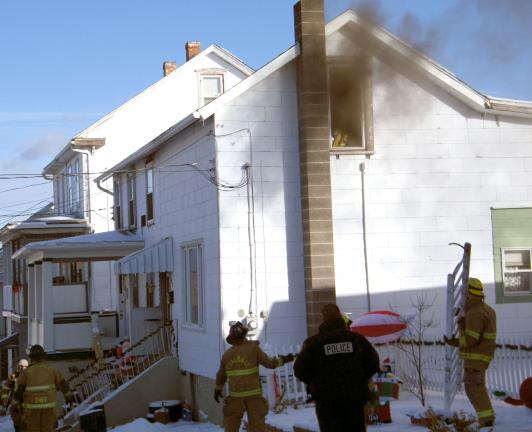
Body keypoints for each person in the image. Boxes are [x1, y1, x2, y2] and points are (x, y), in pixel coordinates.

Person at [294, 304, 380, 432]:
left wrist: (315, 383)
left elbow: (300, 371)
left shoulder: (313, 344)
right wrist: (359, 379)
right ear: (340, 316)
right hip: (354, 400)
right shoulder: (357, 339)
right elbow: (373, 363)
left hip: (326, 402)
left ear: (323, 319)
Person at [214, 321, 295, 432]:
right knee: (257, 424)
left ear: (231, 338)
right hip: (254, 395)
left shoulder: (227, 355)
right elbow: (270, 363)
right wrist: (284, 359)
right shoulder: (254, 349)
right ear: (244, 335)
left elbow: (221, 374)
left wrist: (218, 388)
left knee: (231, 423)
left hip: (235, 396)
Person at [444, 277, 497, 427]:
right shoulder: (485, 309)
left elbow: (470, 340)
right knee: (475, 388)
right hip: (480, 358)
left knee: (474, 389)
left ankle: (486, 420)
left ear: (468, 294)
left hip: (476, 359)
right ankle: (486, 417)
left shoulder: (475, 312)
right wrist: (463, 320)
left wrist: (454, 341)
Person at [15, 344, 74, 432]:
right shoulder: (52, 370)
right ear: (44, 356)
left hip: (31, 412)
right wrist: (69, 399)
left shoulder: (26, 373)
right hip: (49, 411)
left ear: (31, 358)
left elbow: (19, 392)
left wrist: (17, 409)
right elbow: (63, 385)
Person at [6, 358, 29, 432]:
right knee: (17, 425)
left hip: (26, 405)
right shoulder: (13, 377)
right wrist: (5, 403)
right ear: (18, 367)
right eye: (21, 366)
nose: (23, 368)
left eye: (25, 366)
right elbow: (6, 388)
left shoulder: (30, 376)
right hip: (16, 406)